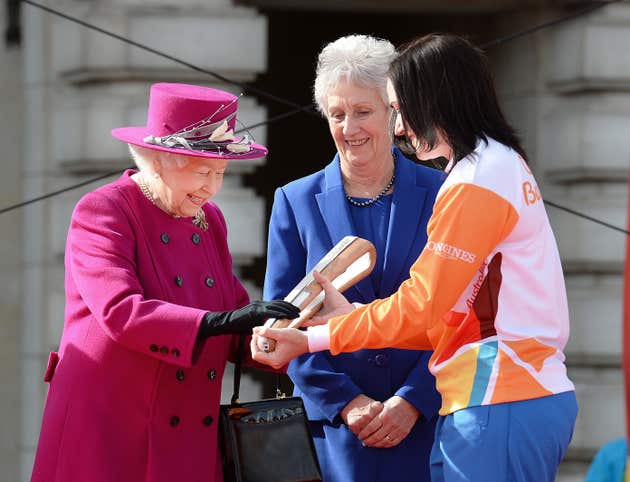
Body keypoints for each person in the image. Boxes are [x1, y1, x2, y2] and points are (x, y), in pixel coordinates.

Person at [252, 33, 579, 482]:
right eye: (338, 114)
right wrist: (340, 358)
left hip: (494, 395)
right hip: (482, 399)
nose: (403, 126)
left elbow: (424, 307)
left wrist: (314, 339)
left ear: (429, 101)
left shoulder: (473, 181)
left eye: (394, 109)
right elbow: (443, 310)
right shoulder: (493, 167)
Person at [30, 83, 299, 482]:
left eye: (221, 173)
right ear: (159, 161)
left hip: (188, 430)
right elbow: (119, 310)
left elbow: (232, 313)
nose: (212, 187)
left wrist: (282, 334)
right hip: (112, 428)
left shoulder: (210, 221)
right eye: (203, 171)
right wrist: (219, 323)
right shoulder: (104, 209)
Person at [263, 35, 443, 482]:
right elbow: (283, 321)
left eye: (363, 112)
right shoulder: (294, 200)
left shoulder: (445, 192)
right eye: (337, 114)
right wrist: (348, 403)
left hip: (429, 426)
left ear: (394, 114)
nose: (349, 128)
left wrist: (414, 400)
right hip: (336, 439)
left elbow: (462, 311)